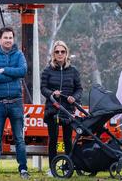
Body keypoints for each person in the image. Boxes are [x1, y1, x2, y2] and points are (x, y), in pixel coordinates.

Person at [0, 27, 29, 180]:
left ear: (13, 39)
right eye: (5, 37)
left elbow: (23, 71)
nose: (8, 40)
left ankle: (23, 170)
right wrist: (12, 75)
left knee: (19, 138)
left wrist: (4, 70)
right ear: (0, 39)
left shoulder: (19, 55)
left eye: (10, 37)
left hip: (16, 103)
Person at [41, 40, 83, 176]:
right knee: (53, 140)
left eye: (62, 51)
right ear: (53, 53)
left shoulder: (73, 70)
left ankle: (67, 167)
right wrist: (52, 94)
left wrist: (74, 98)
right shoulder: (47, 70)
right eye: (57, 51)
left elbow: (79, 89)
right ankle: (52, 169)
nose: (60, 54)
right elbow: (43, 88)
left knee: (67, 140)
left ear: (66, 53)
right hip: (52, 109)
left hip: (67, 110)